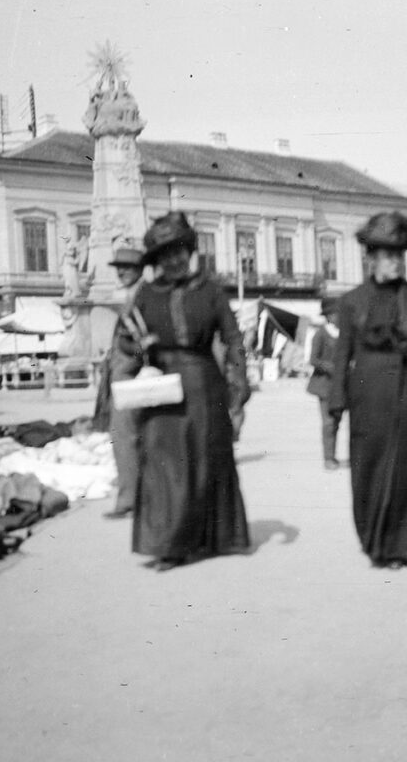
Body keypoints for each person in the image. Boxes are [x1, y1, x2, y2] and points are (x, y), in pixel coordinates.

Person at [118, 211, 250, 571]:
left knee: (207, 458)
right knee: (164, 463)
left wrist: (239, 378)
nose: (175, 259)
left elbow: (233, 338)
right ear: (157, 261)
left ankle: (214, 537)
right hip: (160, 385)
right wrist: (136, 344)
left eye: (180, 251)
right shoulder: (144, 293)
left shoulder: (210, 290)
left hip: (204, 384)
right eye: (166, 254)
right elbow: (125, 339)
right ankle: (169, 544)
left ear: (190, 252)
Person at [328, 212, 407, 570]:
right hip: (366, 395)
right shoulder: (351, 302)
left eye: (399, 255)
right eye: (387, 255)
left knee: (405, 467)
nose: (395, 262)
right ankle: (372, 539)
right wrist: (336, 401)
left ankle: (399, 546)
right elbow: (342, 353)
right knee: (367, 468)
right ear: (371, 258)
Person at [98, 242, 146, 519]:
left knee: (125, 438)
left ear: (139, 269)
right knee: (126, 438)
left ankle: (129, 500)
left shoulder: (140, 297)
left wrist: (131, 351)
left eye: (127, 268)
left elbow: (144, 340)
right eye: (119, 268)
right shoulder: (134, 295)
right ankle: (133, 495)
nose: (121, 273)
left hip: (130, 377)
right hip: (124, 375)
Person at [306, 296, 342, 470]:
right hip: (324, 385)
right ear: (328, 315)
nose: (339, 316)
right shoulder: (320, 334)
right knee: (328, 422)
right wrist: (328, 366)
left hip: (341, 384)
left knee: (337, 421)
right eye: (336, 313)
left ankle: (333, 455)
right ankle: (328, 457)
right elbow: (312, 359)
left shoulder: (344, 333)